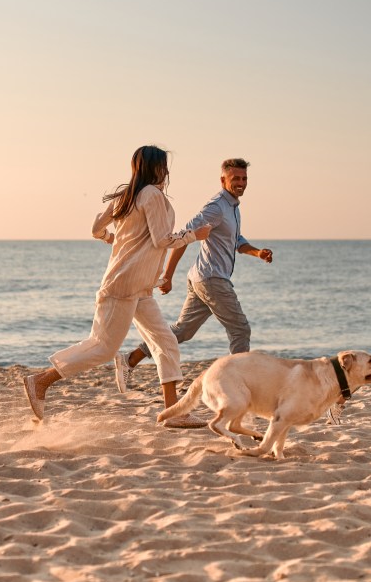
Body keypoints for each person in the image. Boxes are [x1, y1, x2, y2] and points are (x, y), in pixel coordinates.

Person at [22, 145, 212, 427]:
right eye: (164, 166)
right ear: (156, 168)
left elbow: (96, 228)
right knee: (103, 347)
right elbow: (162, 239)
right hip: (124, 286)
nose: (167, 171)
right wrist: (194, 235)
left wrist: (114, 240)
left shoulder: (127, 196)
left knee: (166, 342)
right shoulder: (151, 195)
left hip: (139, 287)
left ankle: (175, 412)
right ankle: (41, 381)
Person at [115, 158, 272, 392]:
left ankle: (129, 360)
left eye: (244, 178)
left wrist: (257, 252)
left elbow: (236, 241)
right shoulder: (217, 206)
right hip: (212, 279)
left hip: (201, 278)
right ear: (223, 180)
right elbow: (185, 235)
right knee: (240, 329)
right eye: (235, 179)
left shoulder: (232, 208)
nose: (241, 183)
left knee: (182, 331)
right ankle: (241, 384)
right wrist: (168, 275)